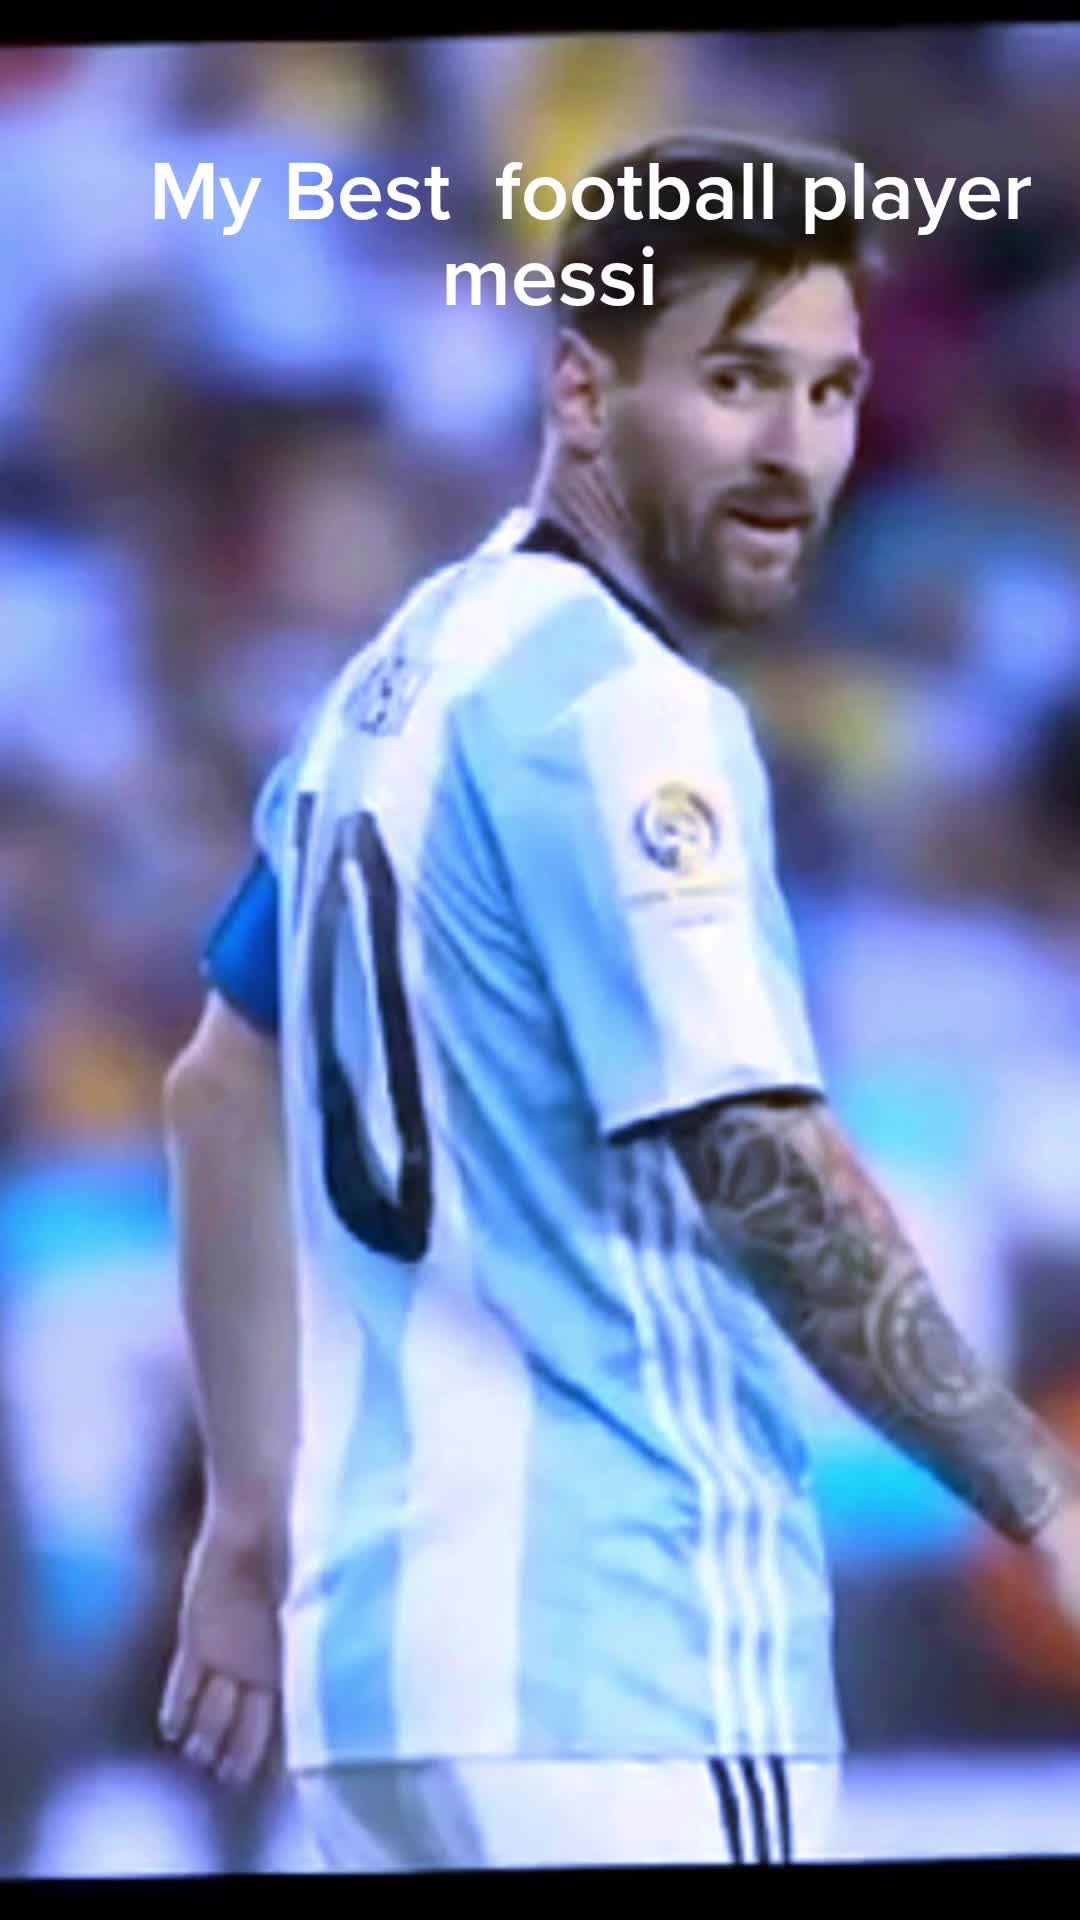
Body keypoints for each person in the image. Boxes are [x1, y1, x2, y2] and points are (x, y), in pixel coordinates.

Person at [158, 129, 1080, 1871]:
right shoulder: (630, 709)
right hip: (629, 1662)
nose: (795, 450)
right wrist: (1039, 1494)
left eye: (832, 391)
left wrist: (251, 1513)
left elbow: (215, 1088)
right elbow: (756, 1155)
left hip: (381, 1695)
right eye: (736, 381)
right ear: (581, 391)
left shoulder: (394, 680)